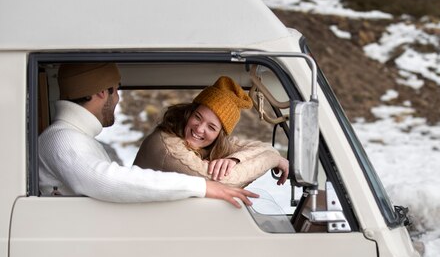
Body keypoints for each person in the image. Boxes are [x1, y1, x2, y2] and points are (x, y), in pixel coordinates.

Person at [38, 63, 257, 208]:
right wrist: (201, 186)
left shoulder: (77, 139)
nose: (118, 100)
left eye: (212, 127)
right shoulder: (63, 139)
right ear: (102, 92)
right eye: (117, 90)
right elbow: (110, 181)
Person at [133, 76, 289, 188]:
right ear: (189, 113)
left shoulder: (213, 144)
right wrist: (272, 159)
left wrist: (235, 159)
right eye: (197, 117)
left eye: (211, 127)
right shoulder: (167, 146)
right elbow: (224, 183)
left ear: (220, 135)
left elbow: (265, 147)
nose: (200, 129)